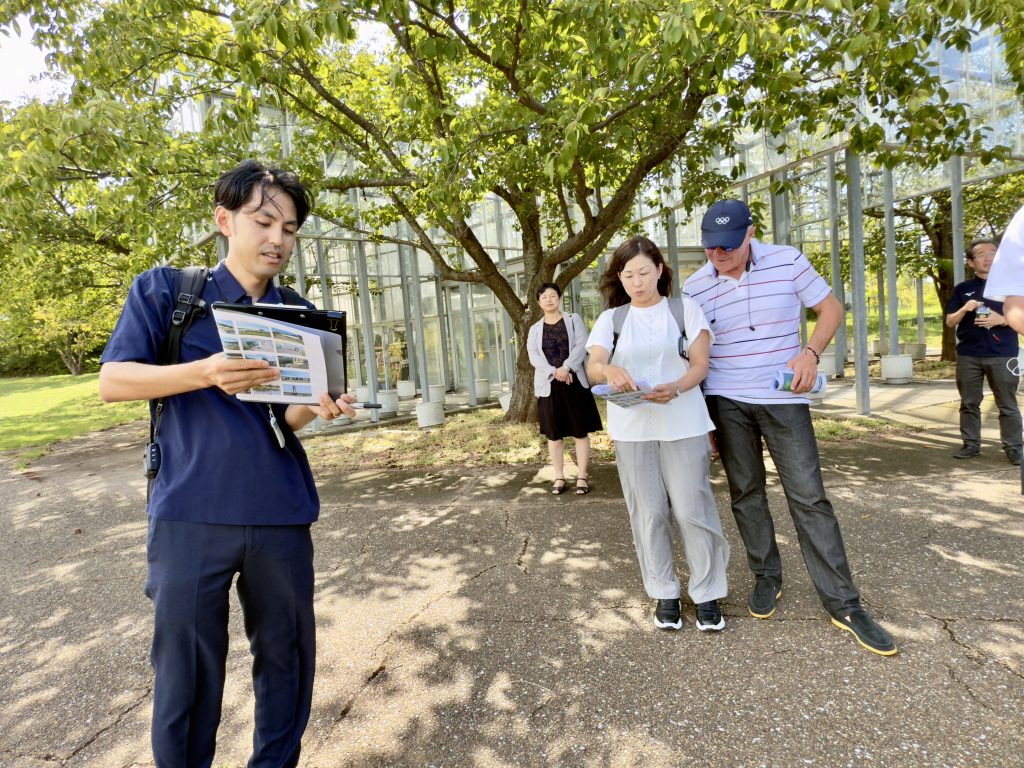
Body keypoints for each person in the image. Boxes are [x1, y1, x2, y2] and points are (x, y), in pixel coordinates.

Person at [99, 160, 356, 767]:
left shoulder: (297, 312)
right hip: (190, 512)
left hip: (279, 512)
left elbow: (285, 418)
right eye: (264, 221)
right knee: (186, 672)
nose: (278, 239)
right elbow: (113, 381)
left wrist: (317, 409)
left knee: (287, 659)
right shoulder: (167, 292)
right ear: (224, 220)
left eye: (290, 229)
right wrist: (205, 372)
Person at [683, 199, 897, 656]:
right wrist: (705, 422)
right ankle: (766, 575)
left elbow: (831, 310)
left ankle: (844, 603)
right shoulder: (695, 288)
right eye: (709, 248)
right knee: (746, 493)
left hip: (783, 400)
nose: (717, 256)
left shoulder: (787, 260)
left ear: (750, 233)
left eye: (726, 247)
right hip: (726, 402)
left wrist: (811, 352)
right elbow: (696, 357)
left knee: (809, 497)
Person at [586, 236, 729, 632]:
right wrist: (609, 371)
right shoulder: (611, 319)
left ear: (660, 270)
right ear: (620, 277)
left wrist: (679, 387)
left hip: (682, 420)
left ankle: (707, 592)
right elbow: (594, 363)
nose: (637, 281)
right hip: (632, 427)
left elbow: (700, 365)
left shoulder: (685, 311)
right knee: (648, 512)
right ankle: (664, 591)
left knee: (691, 508)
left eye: (644, 272)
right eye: (628, 274)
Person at [944, 238, 1021, 464]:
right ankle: (971, 444)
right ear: (970, 262)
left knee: (1007, 403)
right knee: (969, 402)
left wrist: (1003, 319)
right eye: (981, 254)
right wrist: (964, 309)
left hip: (1003, 354)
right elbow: (950, 321)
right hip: (969, 355)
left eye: (993, 253)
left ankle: (1015, 447)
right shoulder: (963, 289)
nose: (988, 258)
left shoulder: (1012, 287)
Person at [527, 282, 603, 494]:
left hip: (574, 382)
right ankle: (559, 477)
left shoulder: (573, 319)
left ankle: (582, 476)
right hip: (549, 385)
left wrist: (567, 367)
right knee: (554, 435)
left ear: (559, 298)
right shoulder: (534, 330)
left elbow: (581, 344)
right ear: (538, 302)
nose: (549, 299)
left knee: (580, 431)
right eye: (544, 297)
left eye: (552, 295)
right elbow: (533, 356)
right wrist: (555, 372)